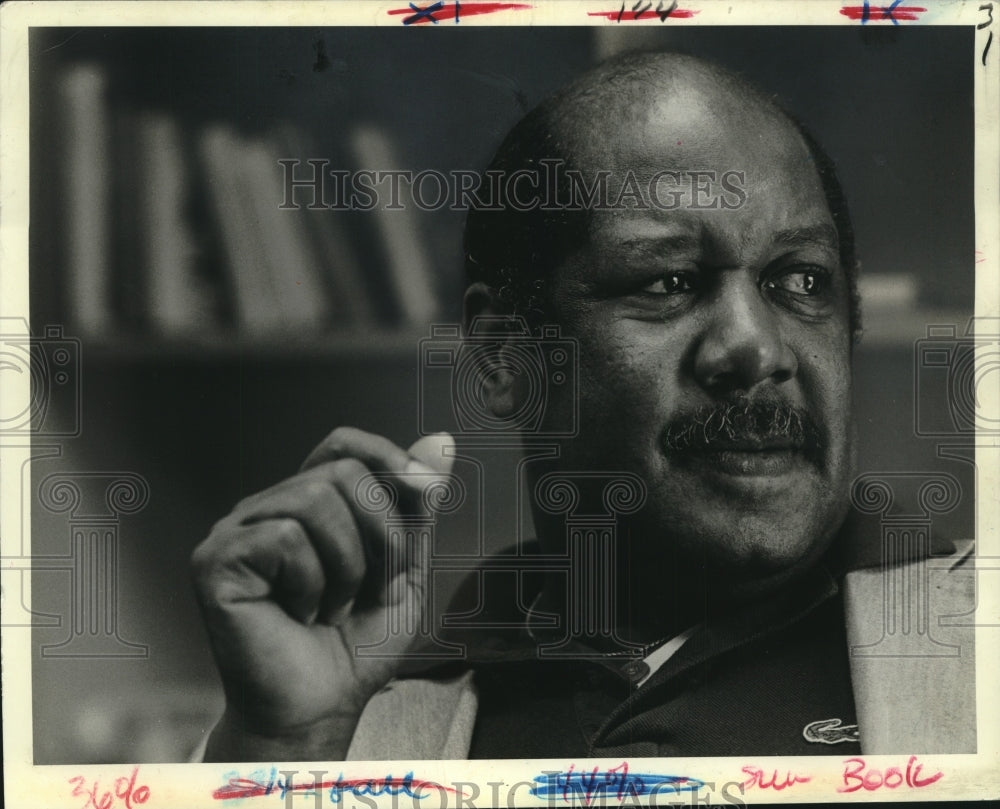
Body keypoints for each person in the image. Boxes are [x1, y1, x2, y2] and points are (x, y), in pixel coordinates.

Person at [190, 52, 974, 762]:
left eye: (799, 280)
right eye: (667, 281)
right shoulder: (365, 704)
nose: (757, 349)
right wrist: (283, 746)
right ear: (508, 357)